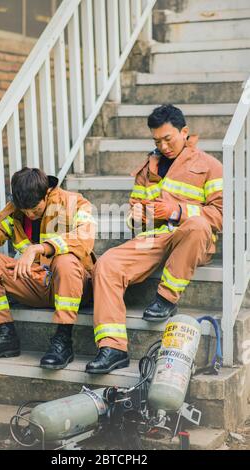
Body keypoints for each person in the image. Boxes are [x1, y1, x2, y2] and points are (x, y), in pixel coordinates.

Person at [86, 104, 223, 374]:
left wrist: (176, 210)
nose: (163, 146)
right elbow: (134, 209)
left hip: (192, 237)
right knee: (107, 263)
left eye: (167, 138)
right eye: (156, 141)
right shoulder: (148, 167)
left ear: (184, 132)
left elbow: (220, 214)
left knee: (196, 225)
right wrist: (136, 216)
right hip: (154, 238)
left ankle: (166, 298)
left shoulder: (210, 166)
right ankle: (112, 348)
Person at [0, 167, 96, 369]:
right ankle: (5, 335)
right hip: (38, 284)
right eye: (25, 211)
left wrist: (39, 248)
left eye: (35, 210)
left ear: (47, 193)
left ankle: (63, 340)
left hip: (75, 286)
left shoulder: (74, 203)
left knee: (65, 260)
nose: (30, 215)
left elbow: (85, 238)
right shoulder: (16, 213)